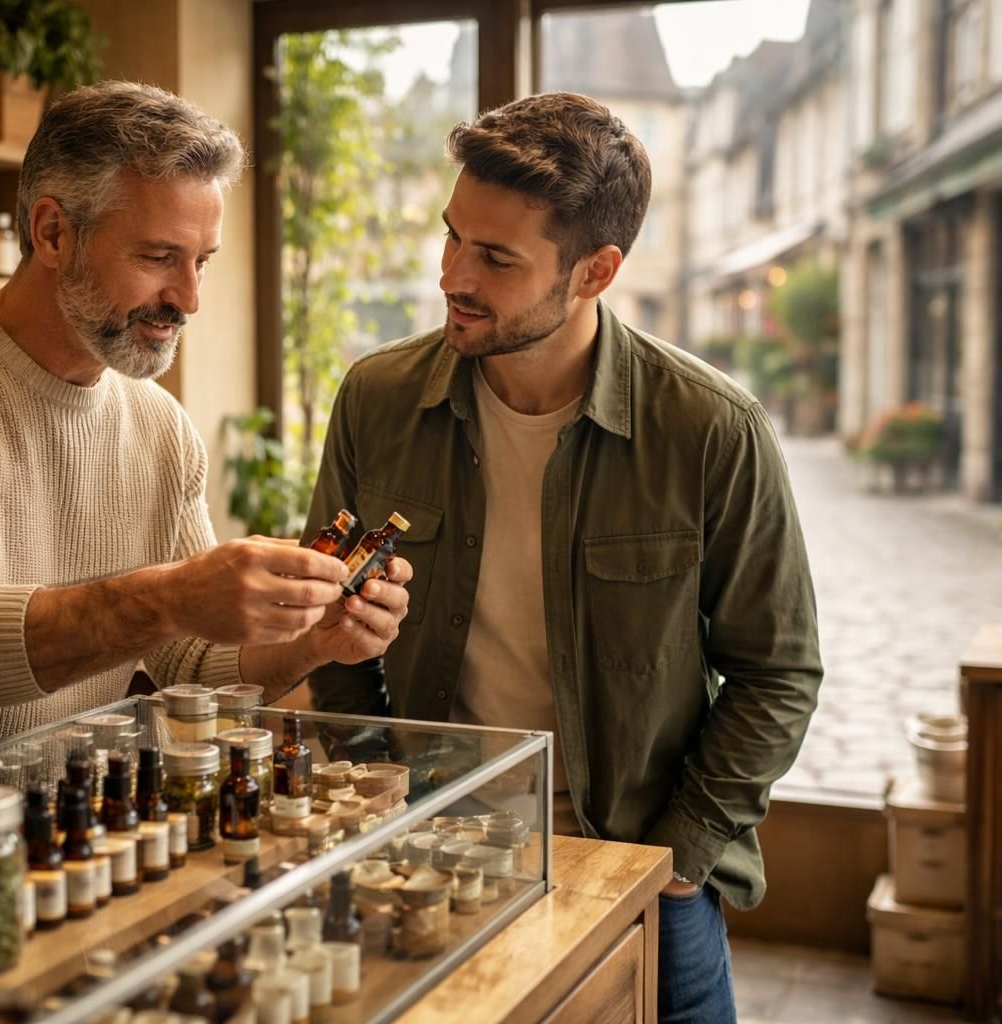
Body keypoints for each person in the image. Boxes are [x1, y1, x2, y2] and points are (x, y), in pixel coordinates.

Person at [303, 92, 822, 1022]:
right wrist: (378, 783)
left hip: (641, 869)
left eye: (496, 257)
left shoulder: (711, 429)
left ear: (596, 270)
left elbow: (776, 670)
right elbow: (335, 626)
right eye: (454, 236)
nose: (452, 274)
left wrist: (678, 856)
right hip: (430, 851)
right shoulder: (376, 400)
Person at [0, 82, 410, 798]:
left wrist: (310, 641)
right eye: (158, 257)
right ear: (52, 234)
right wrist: (166, 596)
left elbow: (190, 662)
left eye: (201, 260)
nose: (189, 298)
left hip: (63, 848)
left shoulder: (158, 425)